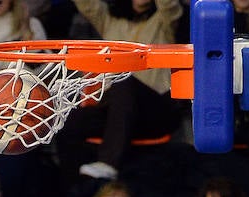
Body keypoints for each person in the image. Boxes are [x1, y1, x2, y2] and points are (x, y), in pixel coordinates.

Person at [59, 0, 183, 179]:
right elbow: (86, 4)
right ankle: (73, 189)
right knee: (73, 121)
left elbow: (170, 7)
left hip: (155, 110)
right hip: (116, 111)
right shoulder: (109, 20)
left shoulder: (164, 21)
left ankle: (109, 162)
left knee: (123, 80)